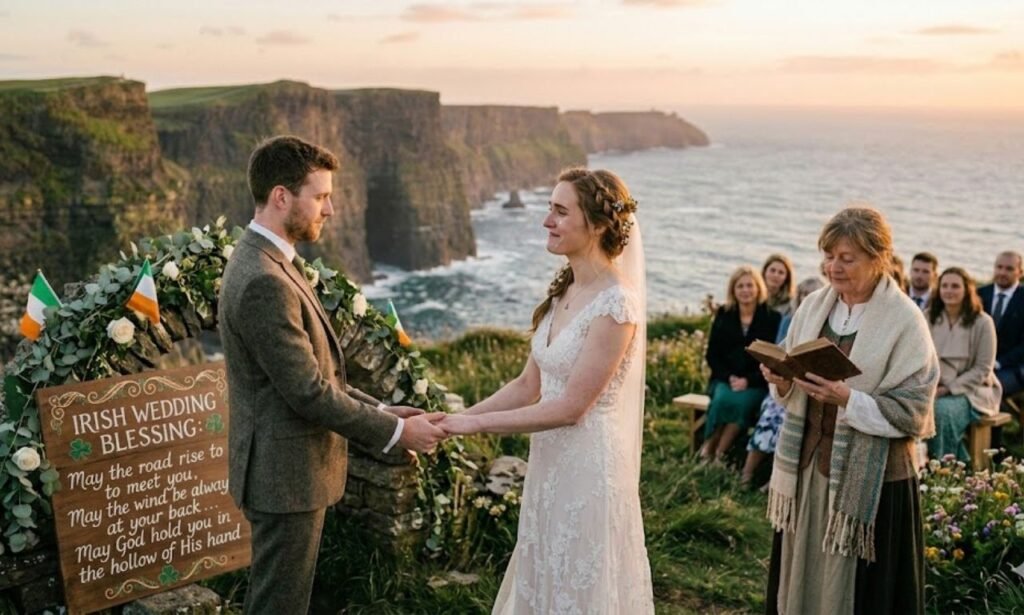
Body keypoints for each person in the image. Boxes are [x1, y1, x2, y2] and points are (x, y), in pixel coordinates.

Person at [218, 136, 447, 614]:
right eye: (321, 196)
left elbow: (313, 373)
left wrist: (380, 408)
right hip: (284, 478)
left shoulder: (267, 260)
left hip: (283, 472)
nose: (332, 209)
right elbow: (308, 393)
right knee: (278, 605)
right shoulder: (264, 280)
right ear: (282, 196)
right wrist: (398, 431)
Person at [438, 168, 654, 613]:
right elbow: (527, 385)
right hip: (549, 466)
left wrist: (474, 423)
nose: (546, 221)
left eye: (559, 211)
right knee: (544, 573)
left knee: (579, 584)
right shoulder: (566, 291)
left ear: (596, 225)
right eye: (549, 209)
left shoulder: (617, 305)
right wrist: (452, 423)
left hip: (589, 470)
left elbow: (571, 407)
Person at [762, 206, 938, 615]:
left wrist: (849, 400)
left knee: (857, 592)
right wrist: (782, 379)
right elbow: (793, 387)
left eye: (846, 258)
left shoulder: (905, 321)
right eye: (828, 256)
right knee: (803, 572)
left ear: (878, 259)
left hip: (870, 482)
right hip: (808, 471)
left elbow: (913, 410)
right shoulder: (813, 307)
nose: (833, 268)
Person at [742, 277, 824, 487]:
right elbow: (779, 351)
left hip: (811, 388)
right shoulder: (789, 320)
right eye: (803, 294)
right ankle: (746, 475)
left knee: (793, 421)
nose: (807, 299)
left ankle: (776, 481)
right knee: (770, 416)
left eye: (812, 295)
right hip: (785, 384)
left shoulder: (826, 325)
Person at [700, 266, 781, 463]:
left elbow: (772, 358)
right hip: (724, 378)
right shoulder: (724, 314)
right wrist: (730, 377)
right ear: (733, 290)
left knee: (742, 404)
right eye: (740, 286)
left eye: (749, 286)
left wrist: (747, 381)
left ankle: (718, 452)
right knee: (721, 400)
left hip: (756, 381)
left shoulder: (772, 317)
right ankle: (707, 450)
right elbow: (712, 355)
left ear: (758, 288)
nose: (745, 290)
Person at [925, 267, 1001, 461]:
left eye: (955, 286)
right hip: (933, 386)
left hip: (973, 391)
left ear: (967, 290)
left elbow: (983, 369)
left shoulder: (983, 322)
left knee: (941, 412)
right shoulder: (927, 317)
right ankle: (949, 462)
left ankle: (942, 466)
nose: (949, 290)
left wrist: (948, 389)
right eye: (945, 286)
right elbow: (919, 357)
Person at [978, 251, 1024, 398]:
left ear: (1020, 272)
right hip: (978, 364)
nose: (1002, 272)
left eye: (1009, 269)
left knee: (983, 391)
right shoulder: (979, 294)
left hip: (1013, 367)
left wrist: (998, 363)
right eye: (999, 267)